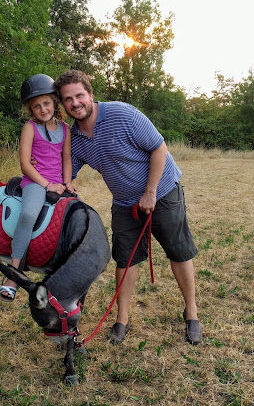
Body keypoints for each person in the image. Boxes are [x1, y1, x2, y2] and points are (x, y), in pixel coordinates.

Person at [53, 69, 201, 345]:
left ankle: (191, 311)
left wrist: (150, 193)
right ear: (63, 104)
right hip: (123, 202)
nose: (75, 103)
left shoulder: (123, 115)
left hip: (163, 190)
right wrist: (45, 178)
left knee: (178, 251)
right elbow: (66, 173)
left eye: (79, 95)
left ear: (90, 94)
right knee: (125, 259)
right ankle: (122, 319)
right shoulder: (74, 138)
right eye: (68, 99)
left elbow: (159, 148)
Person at [0, 74, 75, 301]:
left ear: (55, 102)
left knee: (76, 217)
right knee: (29, 214)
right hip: (35, 181)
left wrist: (67, 181)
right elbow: (24, 164)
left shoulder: (65, 129)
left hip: (58, 182)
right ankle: (13, 273)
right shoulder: (29, 128)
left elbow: (67, 158)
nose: (43, 109)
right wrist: (46, 183)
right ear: (30, 110)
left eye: (47, 103)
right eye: (37, 106)